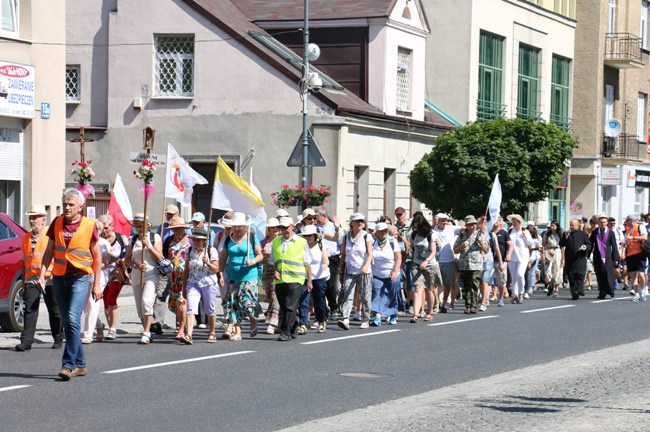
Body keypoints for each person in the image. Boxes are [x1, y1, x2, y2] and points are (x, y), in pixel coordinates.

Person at [38, 188, 102, 381]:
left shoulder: (89, 225)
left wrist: (97, 284)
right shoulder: (56, 222)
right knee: (68, 322)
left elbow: (97, 257)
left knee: (73, 319)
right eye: (65, 204)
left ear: (80, 207)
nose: (67, 207)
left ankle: (68, 365)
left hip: (80, 277)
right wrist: (42, 275)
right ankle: (81, 365)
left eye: (71, 204)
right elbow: (49, 251)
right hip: (59, 276)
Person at [15, 205, 63, 352]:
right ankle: (26, 342)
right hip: (31, 279)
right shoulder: (25, 238)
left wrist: (55, 273)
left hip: (50, 278)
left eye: (35, 217)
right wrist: (23, 279)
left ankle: (58, 338)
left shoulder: (51, 236)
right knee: (30, 309)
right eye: (30, 218)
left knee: (54, 309)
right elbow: (24, 260)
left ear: (43, 220)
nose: (32, 220)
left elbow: (58, 257)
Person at [219, 212, 264, 341]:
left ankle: (253, 321)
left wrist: (253, 261)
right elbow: (223, 258)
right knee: (234, 304)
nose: (237, 229)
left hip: (249, 275)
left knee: (247, 302)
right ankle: (237, 332)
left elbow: (260, 255)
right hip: (233, 276)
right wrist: (221, 273)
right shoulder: (229, 239)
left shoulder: (252, 237)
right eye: (235, 226)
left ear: (244, 226)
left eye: (240, 226)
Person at [270, 216, 312, 341]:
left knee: (290, 306)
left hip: (295, 279)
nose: (284, 230)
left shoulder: (301, 242)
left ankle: (285, 332)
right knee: (284, 306)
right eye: (281, 227)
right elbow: (274, 260)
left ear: (292, 226)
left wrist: (309, 280)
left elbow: (307, 263)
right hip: (280, 279)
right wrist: (275, 271)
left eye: (286, 227)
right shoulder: (276, 241)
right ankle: (294, 324)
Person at [123, 213, 163, 344]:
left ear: (147, 226)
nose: (139, 228)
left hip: (151, 274)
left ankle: (146, 333)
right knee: (140, 308)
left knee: (146, 302)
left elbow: (160, 258)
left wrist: (149, 246)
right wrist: (135, 265)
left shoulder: (154, 237)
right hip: (136, 275)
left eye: (141, 226)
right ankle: (146, 330)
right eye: (137, 226)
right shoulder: (133, 240)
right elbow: (127, 259)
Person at [81, 219, 118, 344]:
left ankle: (88, 335)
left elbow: (106, 263)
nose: (94, 231)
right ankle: (99, 325)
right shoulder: (84, 241)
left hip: (100, 276)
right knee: (84, 306)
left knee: (92, 304)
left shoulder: (103, 243)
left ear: (101, 231)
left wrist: (93, 265)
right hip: (85, 274)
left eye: (97, 229)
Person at [182, 228, 220, 344]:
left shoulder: (211, 250)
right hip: (193, 282)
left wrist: (208, 263)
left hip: (208, 282)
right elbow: (187, 269)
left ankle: (212, 332)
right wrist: (184, 285)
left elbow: (216, 269)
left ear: (204, 241)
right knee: (191, 308)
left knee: (210, 309)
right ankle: (189, 335)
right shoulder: (189, 251)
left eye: (199, 240)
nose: (197, 242)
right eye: (195, 239)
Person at [338, 213, 374, 330]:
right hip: (350, 269)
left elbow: (370, 254)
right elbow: (343, 254)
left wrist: (366, 265)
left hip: (364, 270)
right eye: (357, 221)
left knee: (365, 295)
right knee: (348, 294)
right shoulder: (346, 237)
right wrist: (341, 270)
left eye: (361, 221)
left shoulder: (366, 236)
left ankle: (366, 318)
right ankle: (346, 318)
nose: (359, 223)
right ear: (352, 223)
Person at [97, 214, 129, 341]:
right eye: (102, 228)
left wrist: (122, 264)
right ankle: (109, 326)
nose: (104, 231)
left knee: (112, 299)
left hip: (117, 273)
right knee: (105, 302)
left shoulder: (121, 238)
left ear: (112, 226)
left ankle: (113, 328)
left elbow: (127, 254)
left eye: (106, 228)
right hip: (104, 274)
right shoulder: (98, 239)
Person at [298, 225, 330, 333]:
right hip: (305, 277)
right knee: (303, 300)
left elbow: (326, 260)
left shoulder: (321, 245)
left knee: (319, 300)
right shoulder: (301, 246)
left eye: (310, 235)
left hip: (319, 277)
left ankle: (321, 321)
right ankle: (303, 323)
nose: (308, 238)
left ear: (315, 236)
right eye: (305, 236)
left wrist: (325, 265)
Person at [409, 213, 440, 322]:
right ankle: (416, 314)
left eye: (418, 225)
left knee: (429, 290)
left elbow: (433, 252)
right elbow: (412, 248)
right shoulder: (414, 235)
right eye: (415, 225)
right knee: (418, 288)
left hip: (430, 265)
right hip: (417, 265)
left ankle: (430, 312)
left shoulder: (431, 234)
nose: (416, 227)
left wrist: (426, 261)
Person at [454, 215, 488, 314]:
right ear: (467, 226)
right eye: (470, 225)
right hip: (464, 264)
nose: (473, 226)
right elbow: (455, 250)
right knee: (466, 286)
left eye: (474, 224)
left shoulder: (480, 235)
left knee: (474, 284)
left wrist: (481, 243)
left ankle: (474, 305)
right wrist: (462, 246)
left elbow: (486, 250)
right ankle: (467, 305)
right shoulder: (462, 236)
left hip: (476, 264)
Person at [370, 222, 402, 326]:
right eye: (381, 231)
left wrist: (394, 271)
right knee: (376, 293)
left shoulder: (392, 241)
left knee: (392, 293)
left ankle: (392, 314)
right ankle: (377, 316)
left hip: (392, 273)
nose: (383, 232)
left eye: (385, 230)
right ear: (377, 232)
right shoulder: (372, 242)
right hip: (377, 273)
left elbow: (398, 258)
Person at [166, 215, 191, 340]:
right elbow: (169, 257)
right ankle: (185, 326)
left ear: (183, 229)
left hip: (185, 276)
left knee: (182, 301)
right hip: (174, 277)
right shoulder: (171, 241)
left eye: (178, 229)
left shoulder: (189, 241)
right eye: (174, 229)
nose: (176, 231)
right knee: (175, 303)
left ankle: (181, 329)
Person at [315, 207, 342, 320]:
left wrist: (337, 228)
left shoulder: (332, 226)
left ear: (324, 216)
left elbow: (340, 241)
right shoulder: (315, 228)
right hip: (318, 259)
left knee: (330, 285)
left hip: (332, 258)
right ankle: (323, 309)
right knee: (320, 285)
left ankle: (333, 306)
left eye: (317, 216)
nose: (315, 219)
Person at [434, 213, 462, 312]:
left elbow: (465, 229)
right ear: (437, 221)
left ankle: (444, 304)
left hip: (449, 261)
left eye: (446, 220)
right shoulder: (433, 231)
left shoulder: (451, 229)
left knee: (448, 284)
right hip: (436, 261)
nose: (445, 222)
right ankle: (436, 303)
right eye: (442, 220)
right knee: (435, 285)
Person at [560, 219, 592, 300]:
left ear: (578, 226)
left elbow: (588, 244)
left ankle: (580, 289)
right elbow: (561, 244)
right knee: (571, 276)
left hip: (580, 258)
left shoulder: (583, 234)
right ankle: (574, 292)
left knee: (580, 275)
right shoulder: (566, 234)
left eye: (572, 225)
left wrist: (585, 248)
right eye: (570, 225)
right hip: (570, 259)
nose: (571, 227)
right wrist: (565, 237)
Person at [590, 214, 620, 299]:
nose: (603, 224)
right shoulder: (595, 232)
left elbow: (614, 246)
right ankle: (602, 292)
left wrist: (616, 258)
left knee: (608, 274)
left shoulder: (611, 233)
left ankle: (611, 290)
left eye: (604, 222)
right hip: (598, 256)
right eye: (601, 222)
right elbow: (591, 244)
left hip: (608, 257)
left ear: (607, 223)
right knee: (599, 275)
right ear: (598, 223)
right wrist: (587, 254)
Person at [505, 214, 534, 304]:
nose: (513, 223)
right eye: (512, 222)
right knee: (514, 278)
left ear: (519, 222)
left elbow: (531, 243)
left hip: (523, 258)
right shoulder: (510, 231)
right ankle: (514, 295)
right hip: (512, 257)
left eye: (515, 222)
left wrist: (526, 236)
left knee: (520, 275)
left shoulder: (525, 231)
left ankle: (521, 293)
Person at [262, 217, 281, 334]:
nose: (275, 229)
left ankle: (272, 323)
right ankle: (279, 321)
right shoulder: (264, 241)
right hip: (266, 274)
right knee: (270, 298)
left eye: (277, 227)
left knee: (275, 297)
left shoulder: (280, 241)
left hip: (277, 273)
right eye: (273, 227)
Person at [623, 214, 648, 301]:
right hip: (630, 255)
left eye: (627, 220)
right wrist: (624, 244)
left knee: (641, 274)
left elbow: (645, 237)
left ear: (631, 221)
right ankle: (636, 294)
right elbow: (627, 241)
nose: (626, 222)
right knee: (633, 275)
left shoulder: (640, 227)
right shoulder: (627, 229)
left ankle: (643, 290)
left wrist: (633, 237)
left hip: (640, 254)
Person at [492, 216, 511, 307]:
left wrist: (509, 254)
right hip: (490, 260)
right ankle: (486, 299)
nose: (495, 222)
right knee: (487, 280)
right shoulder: (489, 232)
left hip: (501, 261)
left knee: (501, 281)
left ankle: (501, 299)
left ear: (500, 222)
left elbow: (510, 245)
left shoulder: (504, 233)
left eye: (497, 220)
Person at [543, 220, 564, 297]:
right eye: (551, 226)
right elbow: (543, 244)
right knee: (547, 271)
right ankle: (551, 285)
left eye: (553, 226)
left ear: (557, 226)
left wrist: (563, 258)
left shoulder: (560, 234)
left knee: (557, 271)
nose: (552, 227)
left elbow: (562, 247)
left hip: (558, 252)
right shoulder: (547, 234)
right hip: (549, 252)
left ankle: (556, 290)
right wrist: (546, 246)